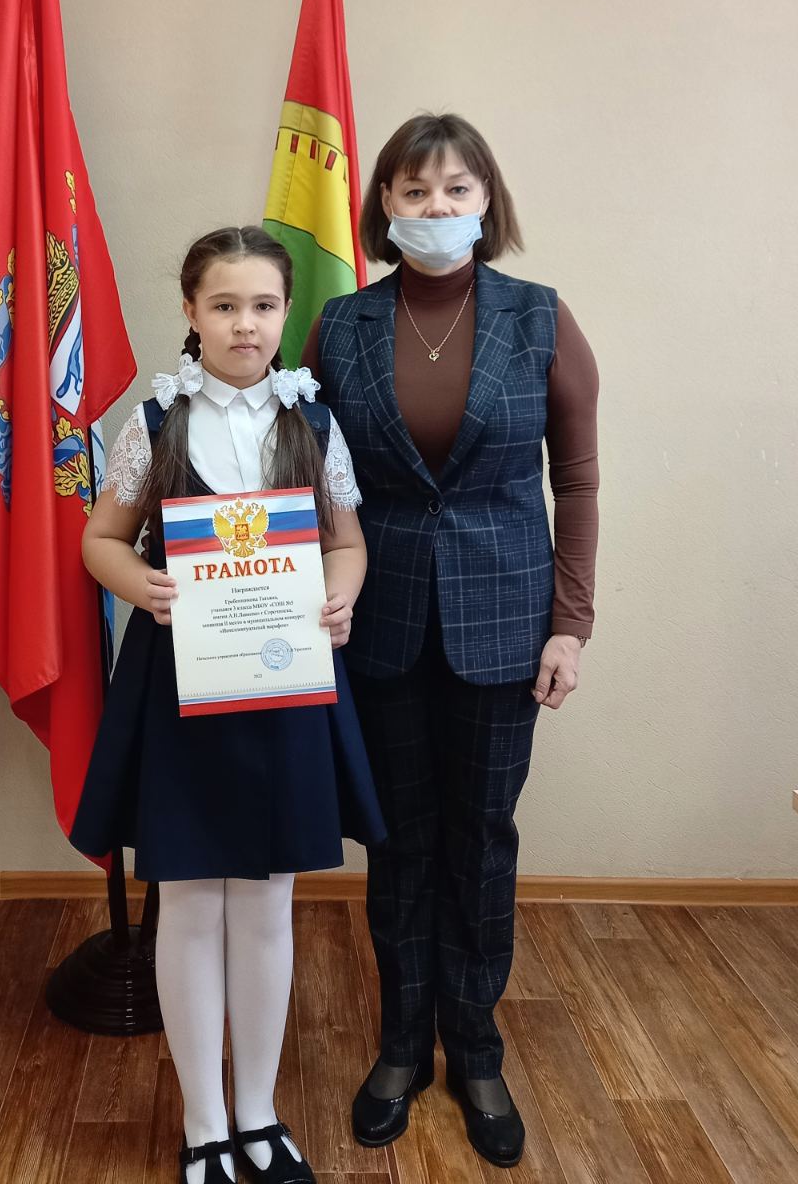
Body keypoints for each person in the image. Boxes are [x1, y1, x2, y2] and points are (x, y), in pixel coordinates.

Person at [303, 113, 599, 1170]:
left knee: (481, 836)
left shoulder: (540, 317)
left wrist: (571, 623)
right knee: (398, 839)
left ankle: (474, 1048)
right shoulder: (339, 323)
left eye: (456, 189)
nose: (436, 207)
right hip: (375, 619)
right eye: (415, 190)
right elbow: (304, 477)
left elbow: (577, 481)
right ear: (384, 204)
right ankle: (400, 1047)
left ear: (486, 201)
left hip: (506, 624)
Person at [71, 225, 386, 1184]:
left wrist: (341, 595)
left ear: (286, 313)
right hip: (181, 691)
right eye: (223, 305)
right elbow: (101, 540)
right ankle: (203, 1120)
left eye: (262, 306)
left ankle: (257, 1112)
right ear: (191, 312)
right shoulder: (155, 422)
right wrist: (143, 586)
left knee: (265, 900)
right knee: (188, 900)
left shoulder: (313, 423)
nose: (244, 324)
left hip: (285, 689)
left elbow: (346, 543)